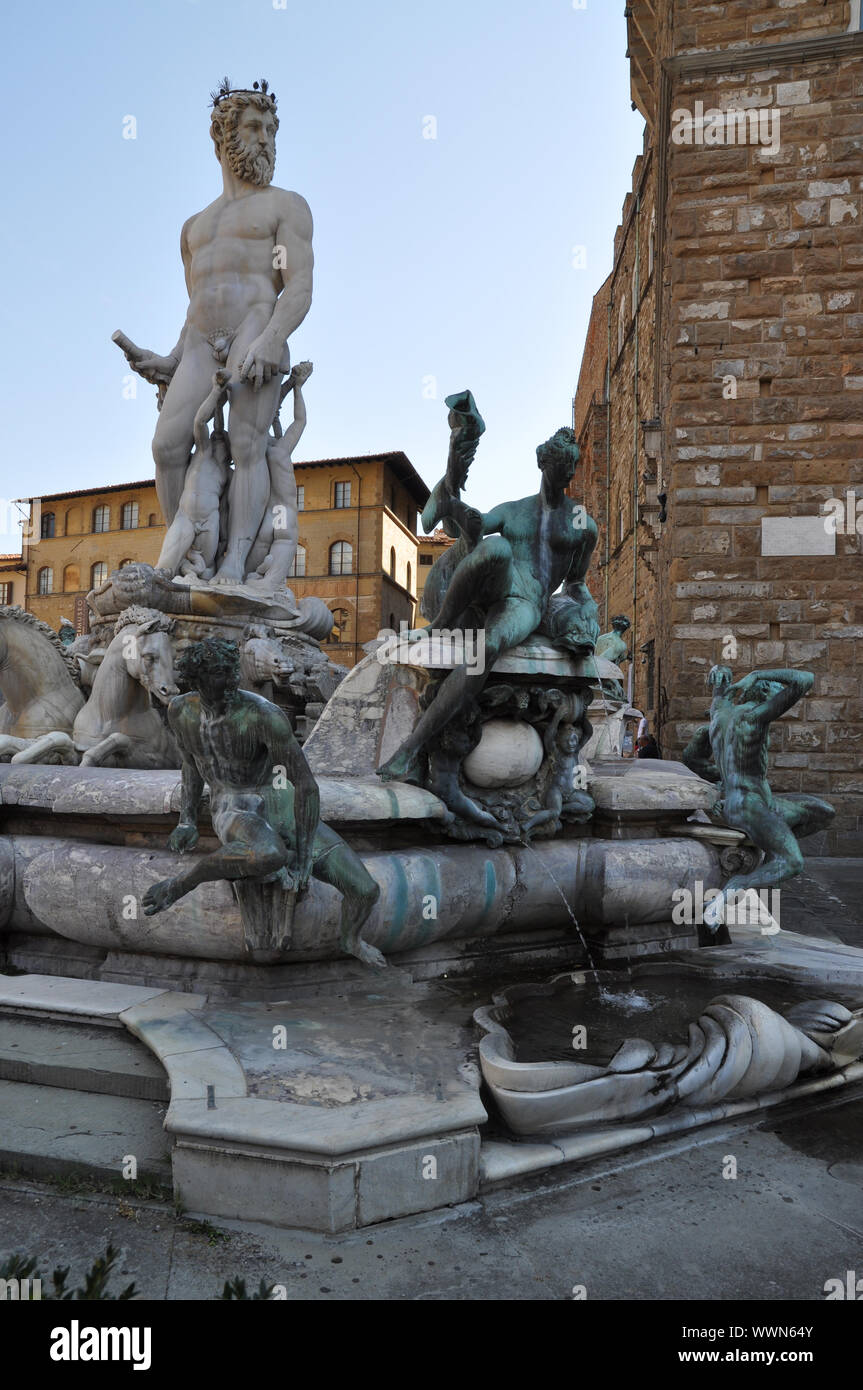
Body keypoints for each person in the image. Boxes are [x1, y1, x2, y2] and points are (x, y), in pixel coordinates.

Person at [117, 80, 314, 587]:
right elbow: (195, 303)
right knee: (166, 445)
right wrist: (170, 356)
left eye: (272, 129)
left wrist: (273, 337)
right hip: (202, 342)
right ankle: (189, 551)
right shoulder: (194, 227)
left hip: (255, 326)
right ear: (221, 136)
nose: (267, 138)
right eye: (254, 127)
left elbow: (297, 286)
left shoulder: (284, 206)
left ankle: (234, 562)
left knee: (248, 449)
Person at [142, 638, 385, 967]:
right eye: (218, 673)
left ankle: (350, 938)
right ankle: (178, 885)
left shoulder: (262, 715)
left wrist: (302, 854)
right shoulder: (180, 711)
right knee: (269, 853)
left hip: (278, 800)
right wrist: (186, 819)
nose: (230, 680)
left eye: (231, 671)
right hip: (234, 804)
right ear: (197, 677)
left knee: (365, 889)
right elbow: (191, 764)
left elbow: (305, 785)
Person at [378, 426, 598, 784]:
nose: (569, 473)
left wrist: (585, 614)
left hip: (528, 602)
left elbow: (576, 584)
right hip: (501, 583)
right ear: (544, 462)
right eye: (562, 464)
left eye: (572, 466)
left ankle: (412, 747)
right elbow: (469, 534)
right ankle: (440, 624)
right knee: (495, 547)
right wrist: (464, 512)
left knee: (488, 647)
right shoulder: (513, 511)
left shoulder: (583, 525)